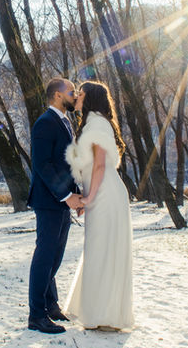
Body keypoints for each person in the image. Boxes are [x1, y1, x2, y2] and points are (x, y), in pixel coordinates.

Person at [64, 80, 134, 331]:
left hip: (105, 195)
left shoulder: (97, 124)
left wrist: (90, 197)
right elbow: (91, 166)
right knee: (98, 250)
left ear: (90, 97)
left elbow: (101, 165)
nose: (76, 97)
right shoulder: (93, 123)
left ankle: (105, 316)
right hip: (99, 192)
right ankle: (97, 312)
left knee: (104, 251)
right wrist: (86, 196)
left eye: (80, 93)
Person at [26, 78, 85, 334]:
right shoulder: (45, 123)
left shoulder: (65, 122)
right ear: (58, 96)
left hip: (62, 200)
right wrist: (65, 196)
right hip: (48, 201)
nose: (75, 95)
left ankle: (51, 306)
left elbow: (66, 165)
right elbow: (42, 164)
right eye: (72, 92)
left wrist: (76, 194)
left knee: (55, 257)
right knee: (44, 257)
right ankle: (36, 316)